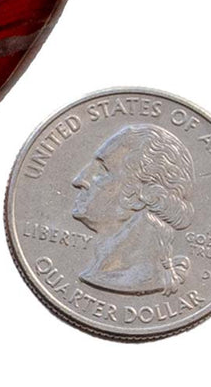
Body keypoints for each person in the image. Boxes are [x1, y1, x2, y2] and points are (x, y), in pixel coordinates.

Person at [72, 124, 194, 296]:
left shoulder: (134, 278)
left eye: (102, 170)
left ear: (144, 194)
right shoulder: (102, 272)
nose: (79, 180)